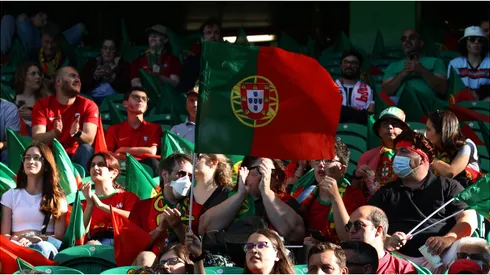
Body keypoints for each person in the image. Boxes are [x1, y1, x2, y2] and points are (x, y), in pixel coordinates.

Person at [368, 130, 477, 271]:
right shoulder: (386, 192)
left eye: (404, 152)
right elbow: (367, 223)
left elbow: (468, 218)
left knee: (475, 249)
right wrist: (387, 239)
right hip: (396, 259)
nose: (397, 157)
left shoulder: (448, 186)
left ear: (423, 158)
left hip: (443, 255)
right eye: (397, 152)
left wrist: (448, 239)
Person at [198, 157, 305, 243]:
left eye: (271, 172)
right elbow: (204, 228)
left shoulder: (285, 200)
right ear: (245, 172)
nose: (266, 175)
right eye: (261, 169)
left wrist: (266, 192)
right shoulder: (226, 194)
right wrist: (240, 195)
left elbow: (296, 233)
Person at [0, 141, 67, 259]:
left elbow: (59, 236)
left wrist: (36, 238)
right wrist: (15, 239)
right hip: (17, 244)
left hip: (45, 245)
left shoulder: (57, 198)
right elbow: (5, 234)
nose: (30, 161)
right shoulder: (10, 195)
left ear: (46, 165)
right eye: (27, 158)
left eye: (36, 158)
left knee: (41, 248)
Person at [31, 66, 99, 173]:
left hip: (76, 156)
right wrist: (54, 133)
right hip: (51, 156)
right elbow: (36, 138)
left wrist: (77, 134)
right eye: (72, 76)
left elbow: (89, 140)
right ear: (58, 81)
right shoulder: (42, 105)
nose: (78, 80)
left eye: (78, 77)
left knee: (86, 149)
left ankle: (82, 187)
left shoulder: (88, 105)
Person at [130, 154, 194, 266]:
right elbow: (131, 249)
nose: (186, 180)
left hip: (182, 264)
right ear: (165, 174)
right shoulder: (141, 207)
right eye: (181, 174)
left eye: (190, 176)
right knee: (145, 257)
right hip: (152, 263)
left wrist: (178, 227)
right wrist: (159, 230)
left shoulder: (195, 208)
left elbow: (195, 251)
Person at [300, 140, 366, 244]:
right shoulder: (307, 194)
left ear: (342, 169)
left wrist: (335, 197)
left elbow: (347, 237)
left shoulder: (353, 195)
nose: (321, 165)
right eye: (317, 160)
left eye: (328, 160)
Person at [81, 152, 140, 246]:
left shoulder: (127, 197)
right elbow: (82, 234)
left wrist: (102, 206)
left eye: (101, 165)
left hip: (122, 240)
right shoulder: (85, 203)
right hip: (95, 242)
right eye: (92, 165)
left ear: (114, 173)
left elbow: (135, 218)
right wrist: (90, 204)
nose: (95, 168)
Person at [352, 107, 410, 199]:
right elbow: (355, 191)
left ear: (403, 130)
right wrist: (357, 176)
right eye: (385, 124)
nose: (390, 127)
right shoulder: (367, 157)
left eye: (394, 124)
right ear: (379, 131)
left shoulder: (412, 155)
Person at [105, 87, 162, 175]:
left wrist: (123, 149)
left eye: (144, 99)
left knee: (153, 162)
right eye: (135, 97)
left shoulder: (154, 128)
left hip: (147, 168)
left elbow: (151, 151)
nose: (140, 100)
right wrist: (136, 156)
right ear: (125, 103)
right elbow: (109, 154)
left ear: (146, 107)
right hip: (121, 169)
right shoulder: (114, 129)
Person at [382, 29, 447, 103]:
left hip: (428, 104)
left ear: (421, 43)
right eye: (404, 39)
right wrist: (403, 73)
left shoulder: (436, 62)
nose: (407, 41)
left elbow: (442, 89)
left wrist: (421, 70)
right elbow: (385, 93)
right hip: (401, 105)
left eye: (412, 38)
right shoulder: (393, 66)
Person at [347, 205, 417, 274]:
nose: (351, 230)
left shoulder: (404, 270)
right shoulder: (339, 264)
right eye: (349, 226)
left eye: (358, 224)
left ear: (378, 230)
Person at [426, 110, 481, 187]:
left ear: (442, 132)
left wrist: (428, 155)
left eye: (428, 129)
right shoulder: (433, 148)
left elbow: (450, 173)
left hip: (467, 193)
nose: (425, 134)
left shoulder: (466, 145)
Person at [80, 35, 131, 104]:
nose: (108, 51)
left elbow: (125, 88)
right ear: (101, 50)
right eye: (105, 48)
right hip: (91, 100)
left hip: (114, 102)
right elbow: (82, 86)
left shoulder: (123, 65)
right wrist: (94, 77)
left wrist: (112, 77)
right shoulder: (91, 63)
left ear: (115, 51)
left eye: (111, 48)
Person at [177, 17, 222, 94]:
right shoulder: (192, 61)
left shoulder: (229, 60)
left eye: (216, 32)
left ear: (221, 37)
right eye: (208, 33)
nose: (213, 35)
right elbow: (185, 88)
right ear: (202, 39)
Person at [26, 23, 76, 90]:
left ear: (58, 41)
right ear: (41, 40)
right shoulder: (31, 55)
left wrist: (55, 83)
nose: (49, 46)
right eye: (46, 42)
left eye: (53, 42)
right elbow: (21, 76)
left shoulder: (67, 58)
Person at [447, 26, 490, 101]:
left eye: (480, 40)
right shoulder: (455, 63)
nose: (476, 42)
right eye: (472, 39)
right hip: (462, 104)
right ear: (465, 43)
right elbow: (453, 89)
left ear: (483, 44)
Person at [336, 50, 375, 124]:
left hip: (360, 128)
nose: (349, 66)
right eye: (346, 62)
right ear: (340, 66)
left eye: (353, 63)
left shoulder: (369, 90)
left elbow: (370, 115)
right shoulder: (330, 87)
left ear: (360, 68)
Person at [13, 62, 51, 133]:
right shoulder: (11, 98)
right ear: (23, 77)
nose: (38, 77)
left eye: (39, 74)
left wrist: (33, 115)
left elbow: (53, 122)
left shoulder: (47, 99)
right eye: (33, 74)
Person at [0, 98, 21, 164]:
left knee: (9, 153)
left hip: (2, 149)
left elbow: (12, 141)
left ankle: (8, 174)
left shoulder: (9, 109)